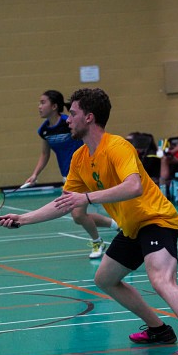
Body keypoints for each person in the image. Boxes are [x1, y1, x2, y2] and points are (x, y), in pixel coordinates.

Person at [0, 87, 178, 355]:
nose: (68, 120)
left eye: (73, 114)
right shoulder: (80, 159)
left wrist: (87, 197)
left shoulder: (117, 146)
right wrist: (23, 219)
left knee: (161, 280)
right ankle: (159, 330)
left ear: (89, 117)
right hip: (131, 227)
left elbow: (133, 186)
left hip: (156, 220)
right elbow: (64, 203)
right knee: (105, 279)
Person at [25, 90, 118, 259]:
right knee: (78, 217)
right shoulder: (44, 130)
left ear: (54, 106)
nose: (39, 106)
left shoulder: (70, 123)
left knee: (77, 214)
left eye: (43, 102)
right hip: (68, 176)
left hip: (84, 174)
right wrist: (35, 174)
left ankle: (98, 242)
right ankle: (116, 225)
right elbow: (45, 154)